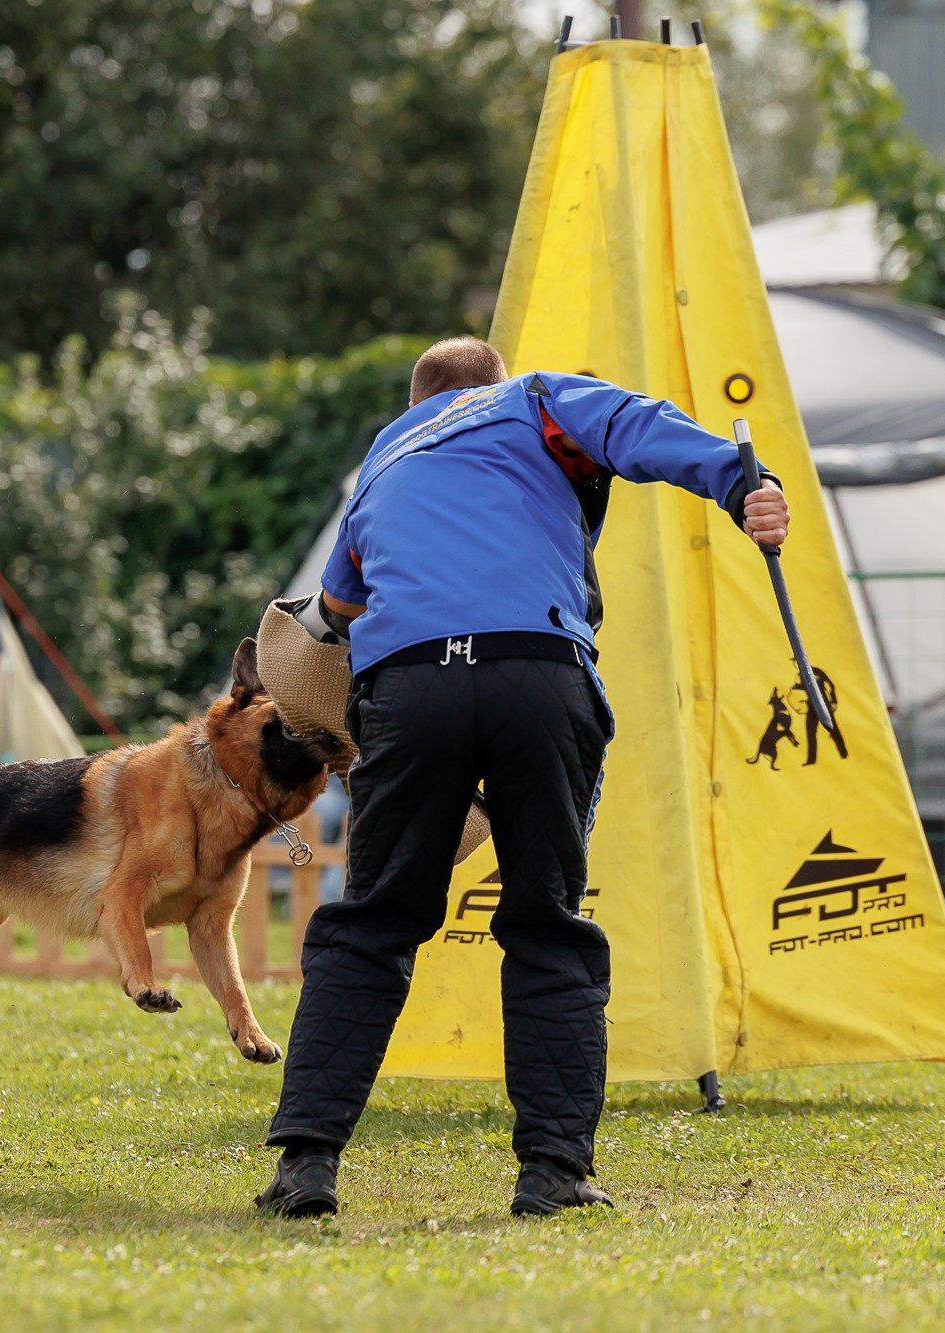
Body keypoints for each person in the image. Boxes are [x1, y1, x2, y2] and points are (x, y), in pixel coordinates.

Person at [256, 337, 790, 1218]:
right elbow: (633, 425)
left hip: (409, 688)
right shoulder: (536, 397)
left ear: (417, 395)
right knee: (546, 921)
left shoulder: (384, 456)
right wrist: (741, 483)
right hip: (537, 673)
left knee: (371, 924)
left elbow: (339, 609)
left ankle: (304, 1167)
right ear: (490, 384)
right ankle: (553, 1171)